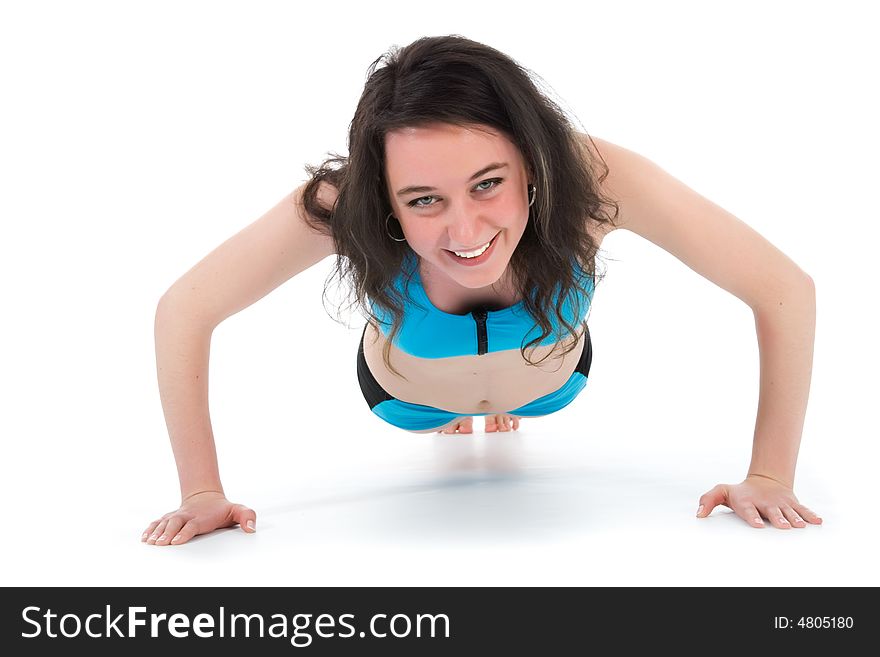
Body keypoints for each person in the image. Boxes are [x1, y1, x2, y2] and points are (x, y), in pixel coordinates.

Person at [143, 35, 822, 547]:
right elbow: (185, 310)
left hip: (553, 385)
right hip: (405, 400)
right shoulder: (345, 203)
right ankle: (457, 407)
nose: (464, 229)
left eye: (488, 183)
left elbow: (783, 288)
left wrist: (769, 474)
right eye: (424, 199)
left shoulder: (594, 179)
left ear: (532, 161)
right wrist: (202, 490)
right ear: (386, 201)